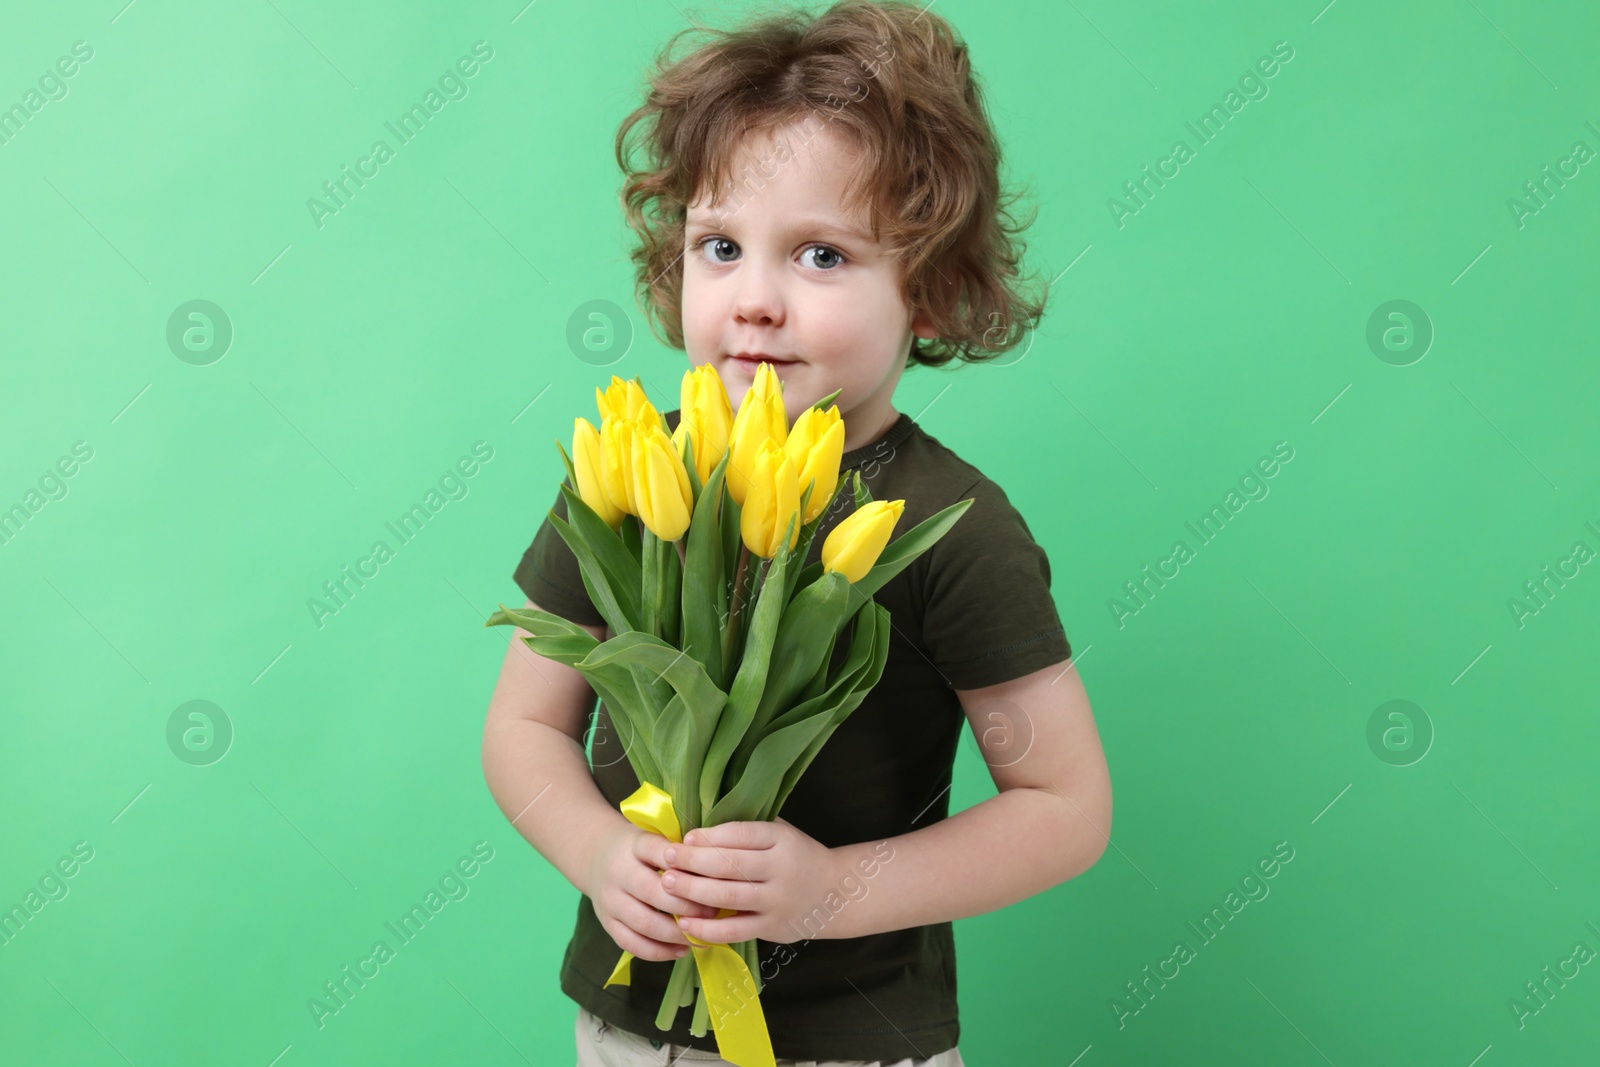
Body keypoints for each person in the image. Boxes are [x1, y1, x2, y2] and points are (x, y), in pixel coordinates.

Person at [481, 2, 1112, 1063]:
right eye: (719, 245)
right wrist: (598, 853)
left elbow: (1063, 806)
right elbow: (521, 729)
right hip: (630, 1028)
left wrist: (830, 890)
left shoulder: (950, 527)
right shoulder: (632, 471)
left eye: (821, 254)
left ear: (935, 285)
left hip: (855, 1043)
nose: (755, 300)